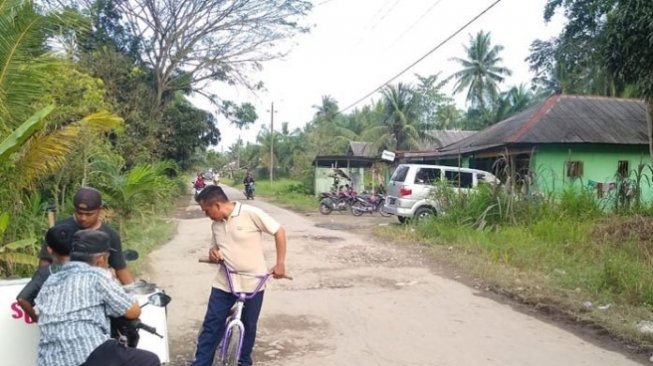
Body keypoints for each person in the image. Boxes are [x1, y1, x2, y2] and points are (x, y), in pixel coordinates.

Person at [192, 185, 287, 366]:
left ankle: (243, 362)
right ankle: (201, 363)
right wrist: (213, 253)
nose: (206, 215)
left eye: (206, 211)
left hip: (254, 283)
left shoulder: (251, 213)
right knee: (212, 325)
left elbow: (279, 231)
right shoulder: (216, 225)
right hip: (225, 283)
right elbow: (215, 248)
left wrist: (280, 263)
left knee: (249, 326)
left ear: (217, 205)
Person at [35, 229, 159, 366]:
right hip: (86, 352)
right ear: (101, 259)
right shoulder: (96, 275)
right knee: (149, 360)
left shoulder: (51, 280)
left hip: (49, 360)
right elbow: (133, 311)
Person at [38, 187, 135, 285]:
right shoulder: (60, 230)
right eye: (79, 213)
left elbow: (120, 268)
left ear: (99, 210)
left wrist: (134, 292)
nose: (83, 218)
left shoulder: (110, 235)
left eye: (89, 214)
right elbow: (44, 265)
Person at [16, 224, 74, 322]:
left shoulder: (45, 273)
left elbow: (22, 299)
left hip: (53, 331)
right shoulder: (87, 271)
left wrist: (37, 319)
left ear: (49, 250)